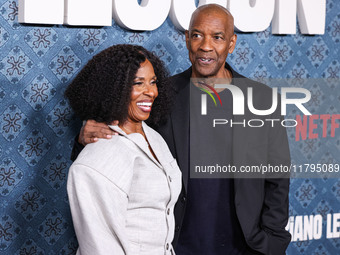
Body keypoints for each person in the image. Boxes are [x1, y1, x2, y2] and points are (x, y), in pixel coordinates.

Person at [71, 4, 291, 255]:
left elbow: (277, 176)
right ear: (187, 39)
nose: (205, 46)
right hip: (177, 244)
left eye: (217, 37)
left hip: (245, 246)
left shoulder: (262, 99)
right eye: (197, 35)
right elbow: (121, 143)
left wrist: (272, 241)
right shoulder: (161, 95)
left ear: (231, 44)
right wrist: (83, 138)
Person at [65, 44, 181, 255]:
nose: (151, 92)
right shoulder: (97, 160)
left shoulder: (155, 138)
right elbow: (100, 247)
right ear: (114, 89)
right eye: (138, 83)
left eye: (153, 82)